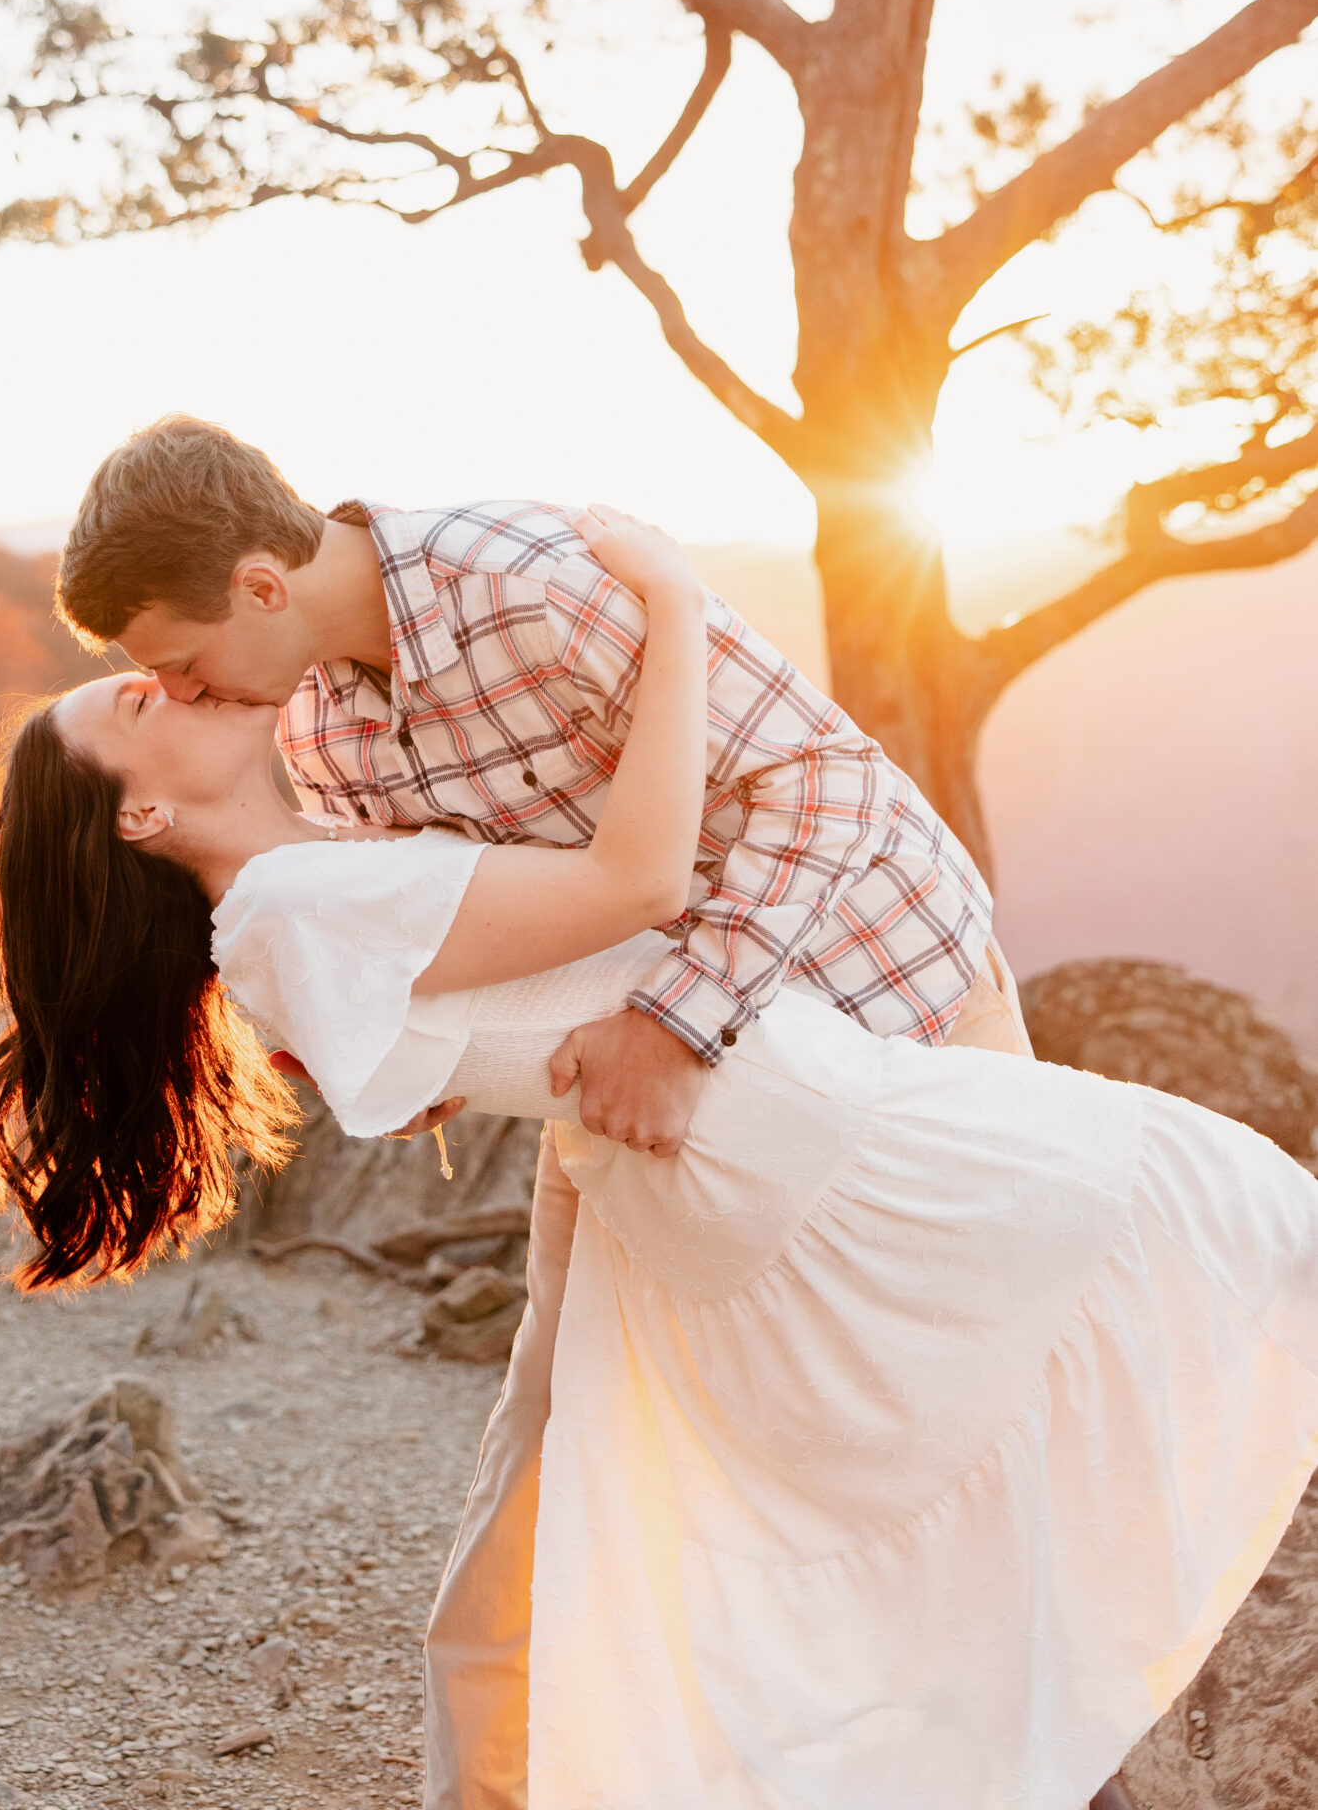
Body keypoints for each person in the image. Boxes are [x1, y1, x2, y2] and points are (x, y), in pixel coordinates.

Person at [0, 504, 1318, 1810]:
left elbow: (443, 1019)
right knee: (1221, 1233)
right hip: (782, 1138)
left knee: (708, 1532)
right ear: (138, 818)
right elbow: (636, 884)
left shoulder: (314, 861)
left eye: (152, 669)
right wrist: (674, 596)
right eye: (132, 700)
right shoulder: (298, 904)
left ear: (260, 586)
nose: (164, 685)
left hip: (738, 1138)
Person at [52, 415, 1032, 1808]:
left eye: (184, 663)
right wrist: (423, 1061)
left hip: (895, 1011)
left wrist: (677, 1023)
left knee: (937, 1446)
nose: (189, 695)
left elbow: (819, 785)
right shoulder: (321, 723)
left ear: (264, 587)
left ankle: (1045, 1761)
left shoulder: (531, 585)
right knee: (552, 1454)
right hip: (643, 1109)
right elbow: (478, 933)